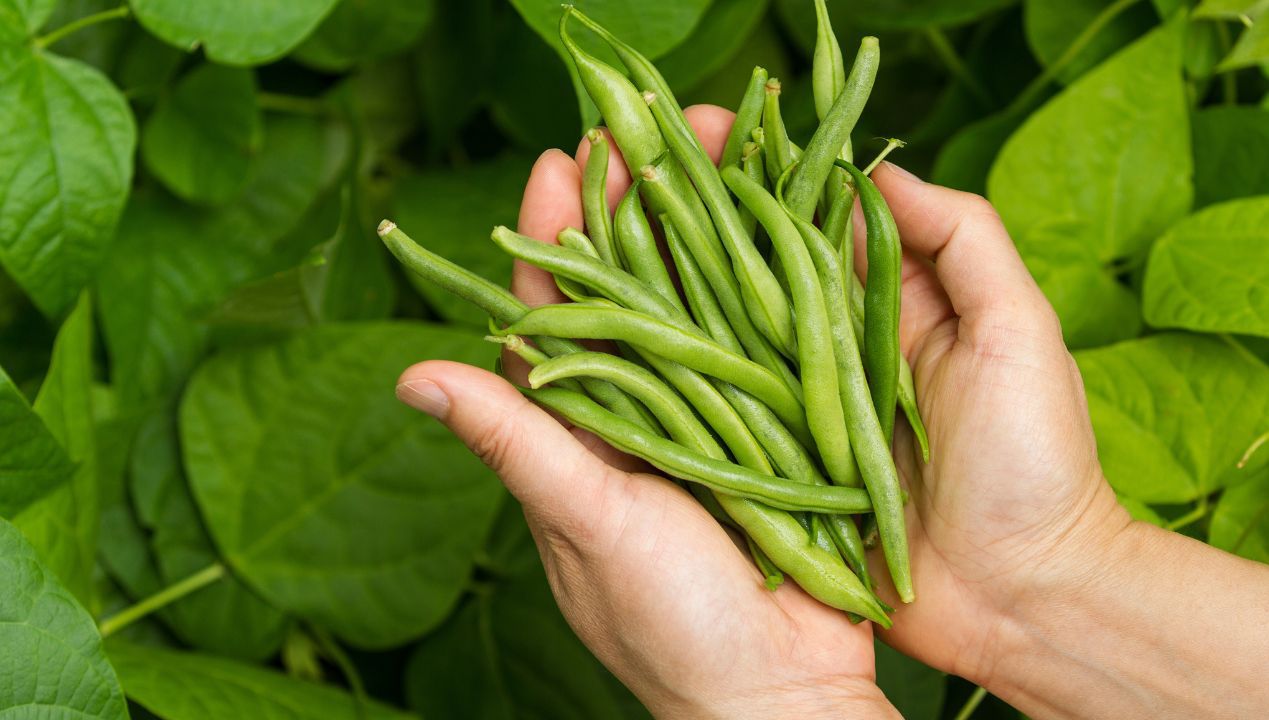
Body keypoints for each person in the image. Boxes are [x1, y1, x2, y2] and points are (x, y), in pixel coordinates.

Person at [394, 105, 1269, 719]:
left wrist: (775, 705)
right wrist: (1046, 576)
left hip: (853, 514)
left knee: (735, 319)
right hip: (851, 513)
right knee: (709, 329)